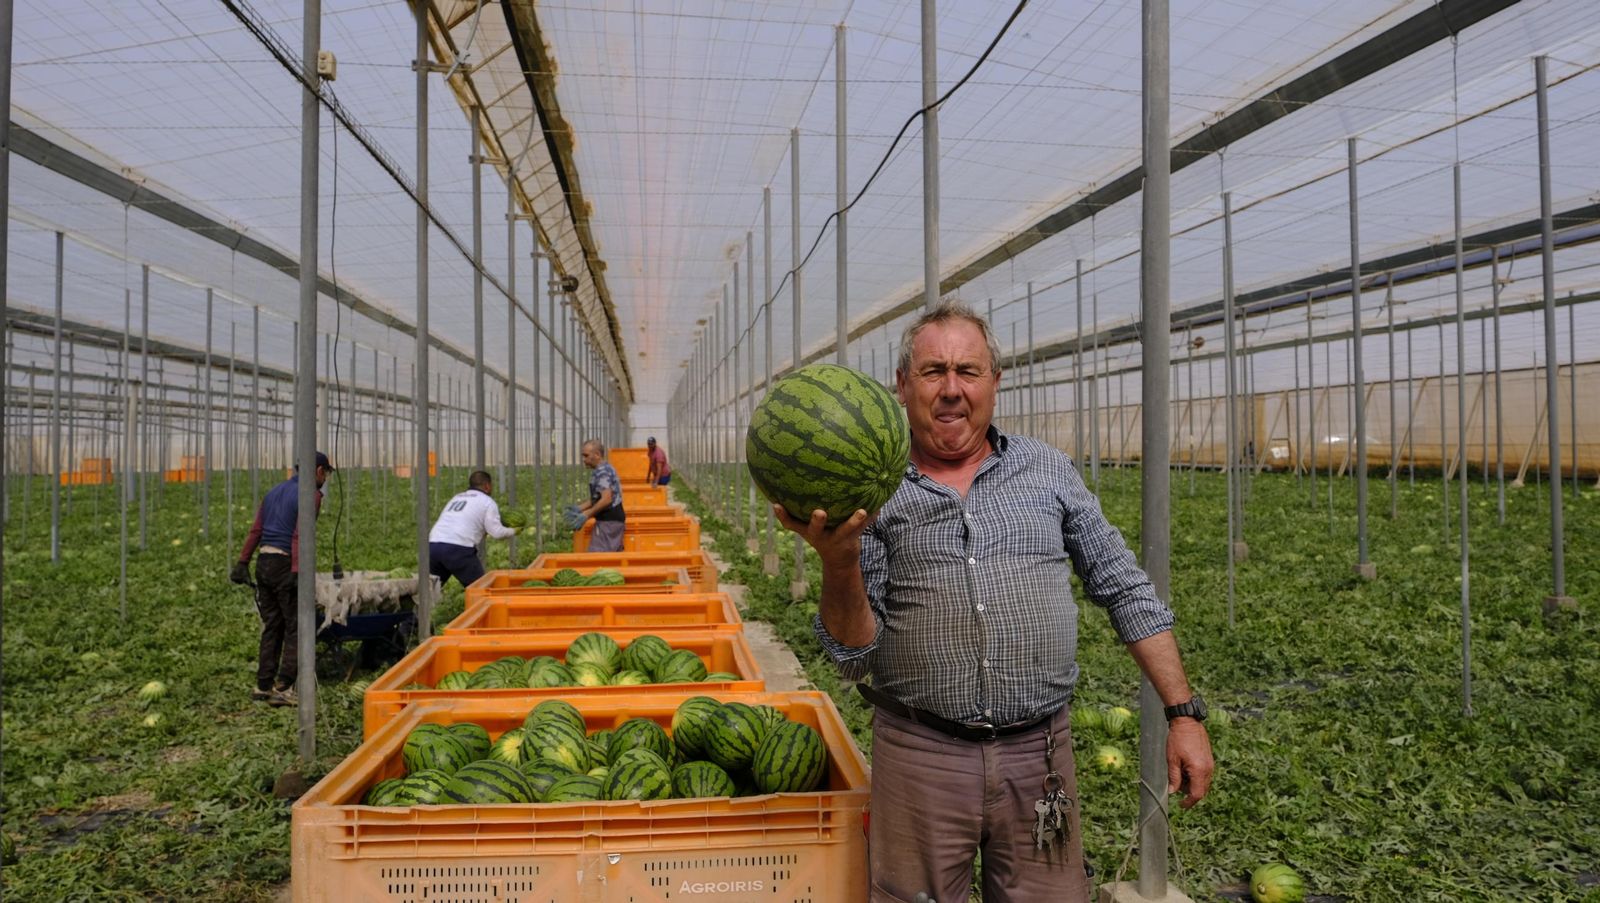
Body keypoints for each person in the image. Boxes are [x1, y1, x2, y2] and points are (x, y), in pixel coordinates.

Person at [775, 302, 1214, 903]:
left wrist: (1183, 713)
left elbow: (1125, 589)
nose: (951, 389)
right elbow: (854, 657)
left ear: (995, 383)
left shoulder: (1048, 471)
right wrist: (839, 560)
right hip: (919, 753)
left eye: (968, 370)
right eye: (932, 371)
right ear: (902, 386)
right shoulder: (870, 492)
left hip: (1041, 755)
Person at [229, 451, 334, 707]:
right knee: (296, 626)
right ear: (318, 471)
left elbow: (257, 529)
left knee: (272, 625)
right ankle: (284, 686)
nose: (326, 478)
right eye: (326, 473)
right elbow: (301, 535)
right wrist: (297, 571)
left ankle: (262, 685)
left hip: (263, 562)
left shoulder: (274, 491)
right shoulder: (312, 496)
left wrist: (243, 562)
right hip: (285, 563)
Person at [428, 470, 518, 591]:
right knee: (481, 590)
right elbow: (496, 532)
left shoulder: (457, 497)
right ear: (487, 485)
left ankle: (415, 610)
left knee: (429, 591)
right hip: (458, 548)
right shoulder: (487, 502)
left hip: (433, 545)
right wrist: (514, 531)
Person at [577, 438, 626, 552]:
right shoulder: (604, 468)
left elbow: (606, 499)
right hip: (612, 521)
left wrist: (587, 515)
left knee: (599, 558)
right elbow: (598, 498)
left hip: (608, 522)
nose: (584, 459)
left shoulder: (603, 472)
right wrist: (578, 509)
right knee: (611, 558)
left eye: (586, 455)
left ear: (597, 454)